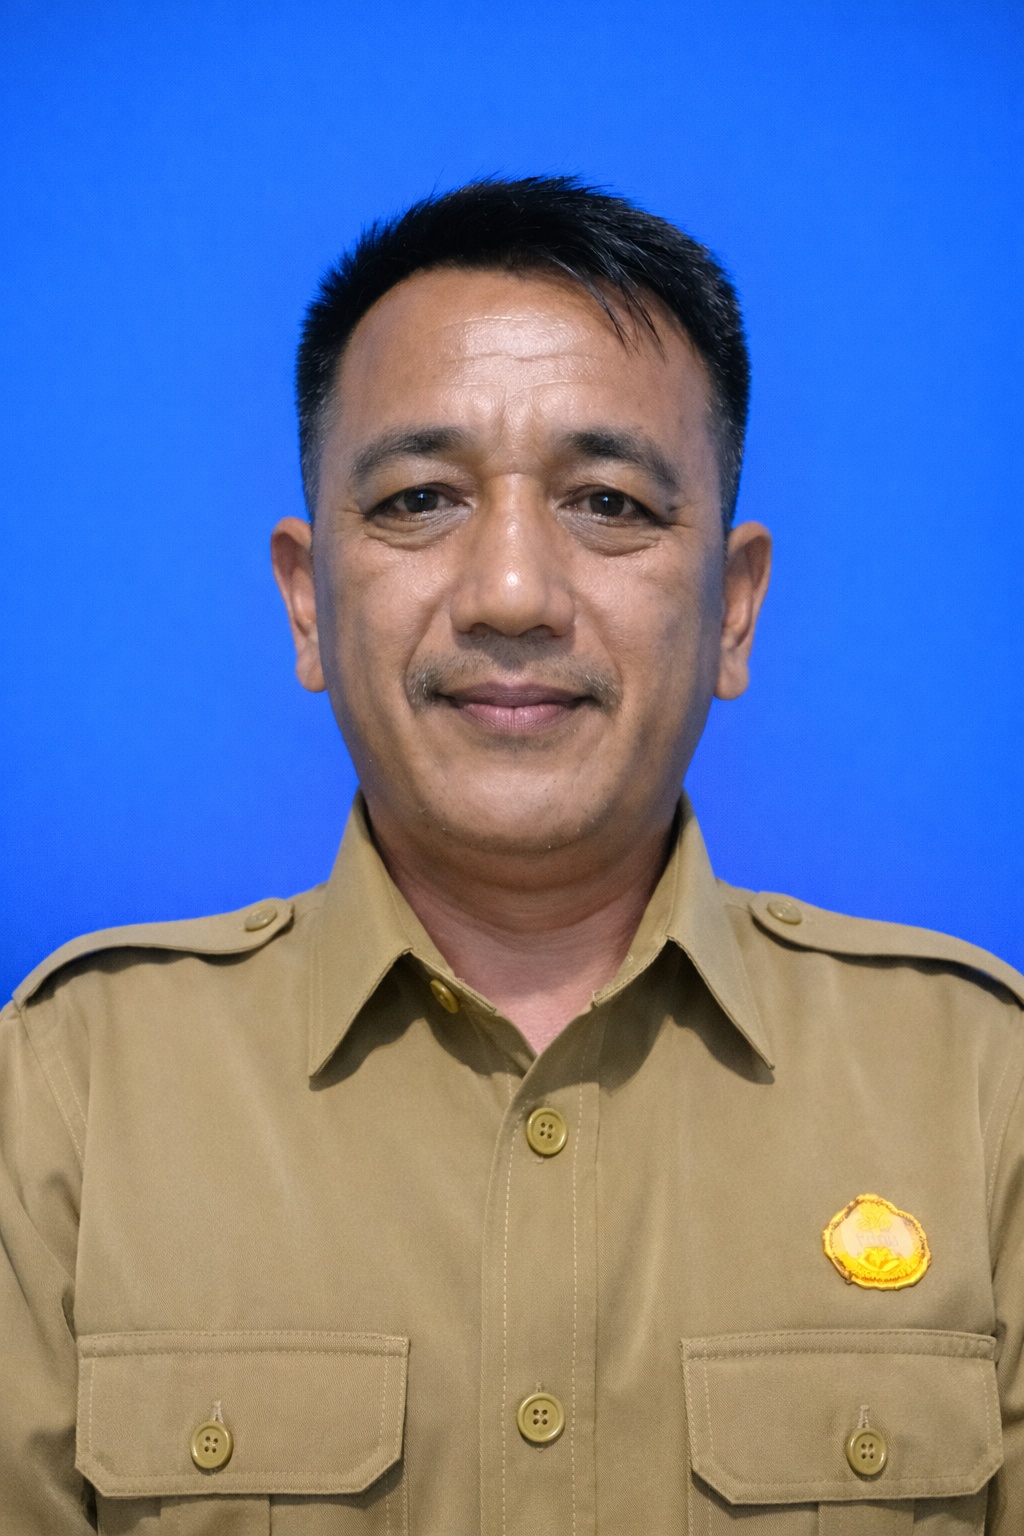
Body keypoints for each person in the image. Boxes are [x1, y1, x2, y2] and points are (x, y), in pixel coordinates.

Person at [2, 177, 1021, 1536]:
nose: (513, 594)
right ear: (306, 603)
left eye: (608, 502)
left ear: (734, 608)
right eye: (421, 498)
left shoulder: (984, 1090)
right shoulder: (62, 1097)